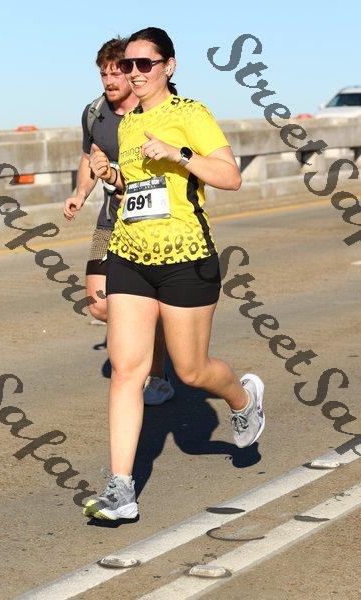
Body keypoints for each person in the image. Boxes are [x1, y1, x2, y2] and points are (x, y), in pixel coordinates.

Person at [84, 27, 265, 521]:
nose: (133, 73)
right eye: (127, 64)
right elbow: (136, 187)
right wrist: (110, 175)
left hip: (186, 257)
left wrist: (178, 153)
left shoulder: (191, 114)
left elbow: (230, 176)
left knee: (190, 370)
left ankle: (243, 399)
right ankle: (120, 489)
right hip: (130, 256)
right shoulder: (127, 124)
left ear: (169, 66)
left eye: (144, 64)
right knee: (128, 370)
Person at [63, 38, 174, 406]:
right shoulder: (95, 113)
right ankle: (140, 334)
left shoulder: (155, 109)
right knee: (98, 303)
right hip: (110, 218)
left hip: (151, 220)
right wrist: (80, 193)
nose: (109, 81)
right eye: (103, 74)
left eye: (115, 73)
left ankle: (156, 374)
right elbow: (89, 156)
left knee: (149, 300)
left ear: (131, 72)